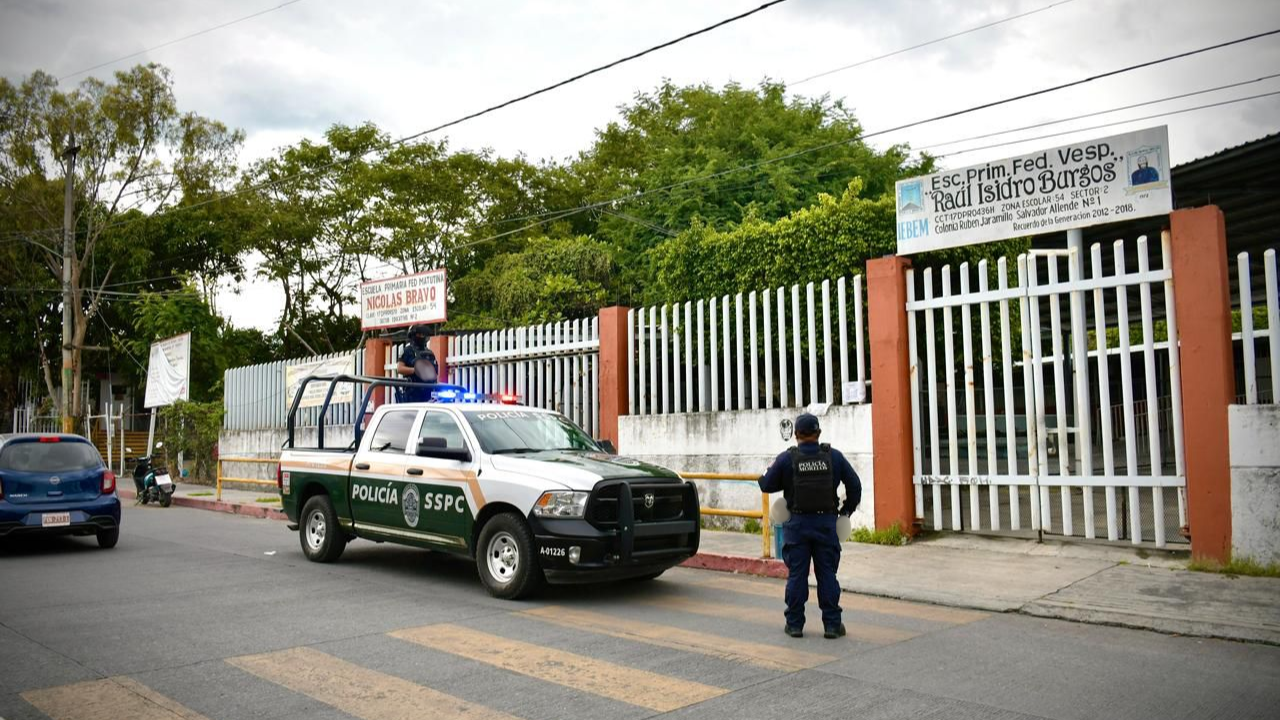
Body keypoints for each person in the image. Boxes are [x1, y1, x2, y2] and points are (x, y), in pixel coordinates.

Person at [759, 412, 861, 639]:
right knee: (827, 574)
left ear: (796, 435)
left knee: (797, 575)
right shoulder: (833, 457)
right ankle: (832, 625)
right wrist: (845, 512)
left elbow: (765, 484)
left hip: (797, 525)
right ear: (818, 433)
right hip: (826, 524)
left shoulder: (788, 458)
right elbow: (855, 486)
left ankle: (794, 625)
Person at [395, 324, 439, 402]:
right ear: (413, 335)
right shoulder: (408, 350)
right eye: (419, 334)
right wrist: (415, 370)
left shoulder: (429, 353)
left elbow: (435, 371)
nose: (421, 336)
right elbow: (400, 368)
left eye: (423, 334)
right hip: (413, 391)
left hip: (428, 391)